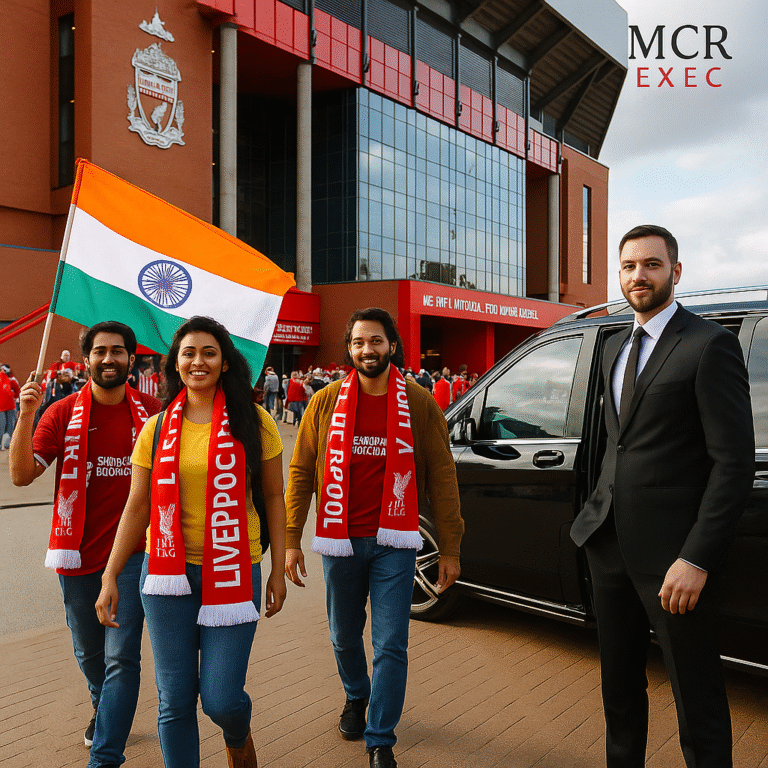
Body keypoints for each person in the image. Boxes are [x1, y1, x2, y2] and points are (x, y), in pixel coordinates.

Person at [570, 225, 755, 768]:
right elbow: (615, 445)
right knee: (619, 693)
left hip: (676, 562)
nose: (638, 276)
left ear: (675, 272)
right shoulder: (614, 348)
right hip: (610, 549)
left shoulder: (708, 345)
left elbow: (733, 463)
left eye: (651, 265)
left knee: (696, 698)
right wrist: (592, 521)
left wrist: (697, 556)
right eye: (628, 266)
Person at [95, 315, 287, 768]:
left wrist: (278, 567)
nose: (198, 361)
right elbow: (137, 506)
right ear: (175, 365)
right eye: (188, 353)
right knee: (175, 699)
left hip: (235, 571)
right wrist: (110, 575)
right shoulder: (157, 428)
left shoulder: (255, 422)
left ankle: (237, 733)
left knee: (220, 699)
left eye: (208, 353)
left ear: (224, 363)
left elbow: (275, 497)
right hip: (166, 579)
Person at [284, 307, 464, 768]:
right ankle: (355, 696)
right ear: (349, 348)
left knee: (390, 644)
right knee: (344, 636)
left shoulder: (419, 403)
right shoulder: (325, 403)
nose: (368, 350)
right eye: (359, 342)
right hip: (339, 542)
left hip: (395, 544)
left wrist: (451, 548)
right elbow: (302, 471)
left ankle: (380, 737)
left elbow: (443, 476)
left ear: (392, 346)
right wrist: (289, 539)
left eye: (377, 341)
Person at [9, 321, 161, 767]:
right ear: (86, 359)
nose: (109, 358)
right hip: (76, 556)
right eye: (100, 351)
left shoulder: (154, 413)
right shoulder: (61, 413)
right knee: (89, 652)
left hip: (135, 555)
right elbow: (20, 475)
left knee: (121, 655)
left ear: (132, 359)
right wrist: (25, 416)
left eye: (118, 351)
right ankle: (105, 708)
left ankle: (106, 751)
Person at [0, 363, 20, 450]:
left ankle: (8, 445)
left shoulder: (11, 379)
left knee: (10, 426)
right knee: (1, 426)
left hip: (11, 406)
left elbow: (17, 389)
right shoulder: (2, 377)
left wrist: (14, 396)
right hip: (1, 407)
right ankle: (1, 445)